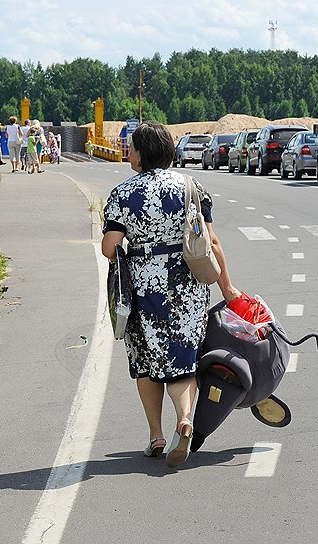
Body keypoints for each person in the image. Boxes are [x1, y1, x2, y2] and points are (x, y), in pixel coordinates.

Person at [101, 121, 240, 468]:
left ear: (143, 152)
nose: (128, 152)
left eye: (131, 146)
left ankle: (156, 435)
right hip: (188, 286)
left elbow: (109, 248)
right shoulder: (192, 186)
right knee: (182, 358)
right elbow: (213, 243)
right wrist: (227, 288)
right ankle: (186, 418)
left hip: (144, 287)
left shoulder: (122, 193)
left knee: (146, 360)